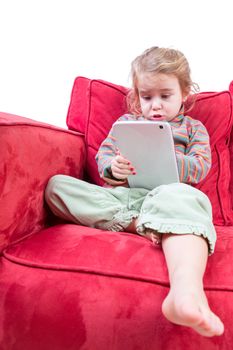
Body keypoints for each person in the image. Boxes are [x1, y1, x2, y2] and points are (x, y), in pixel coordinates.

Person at [45, 46, 224, 337]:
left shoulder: (193, 129)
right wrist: (113, 168)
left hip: (169, 198)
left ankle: (185, 294)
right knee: (57, 187)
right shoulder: (126, 124)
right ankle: (139, 224)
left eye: (165, 97)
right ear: (136, 95)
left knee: (192, 199)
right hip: (123, 199)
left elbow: (201, 167)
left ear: (185, 93)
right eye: (147, 97)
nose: (155, 106)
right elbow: (104, 156)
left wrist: (167, 158)